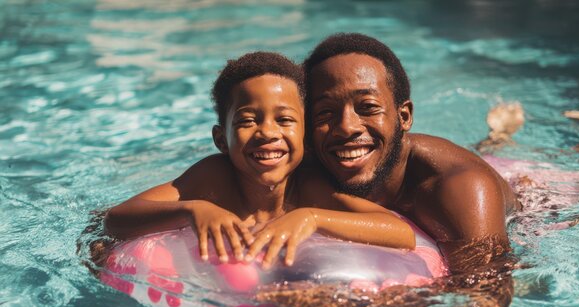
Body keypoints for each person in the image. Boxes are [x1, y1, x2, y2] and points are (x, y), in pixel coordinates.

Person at [103, 52, 415, 269]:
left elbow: (400, 232)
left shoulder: (307, 188)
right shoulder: (212, 179)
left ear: (304, 135)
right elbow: (115, 219)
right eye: (248, 120)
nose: (268, 132)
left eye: (284, 119)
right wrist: (193, 209)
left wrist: (312, 218)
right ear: (221, 140)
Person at [303, 33, 519, 274]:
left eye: (368, 108)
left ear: (404, 117)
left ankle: (500, 137)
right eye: (324, 113)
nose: (346, 127)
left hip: (536, 205)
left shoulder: (459, 188)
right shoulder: (307, 165)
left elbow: (489, 295)